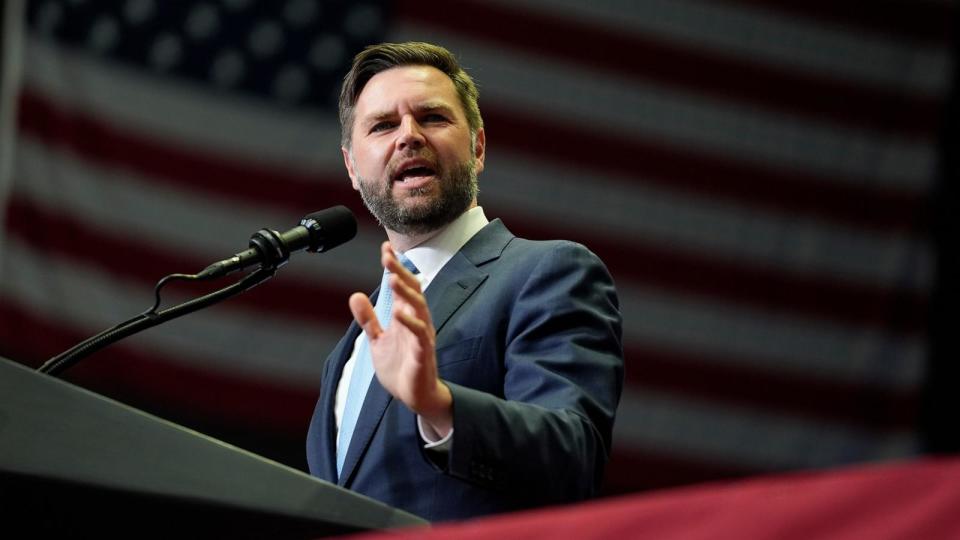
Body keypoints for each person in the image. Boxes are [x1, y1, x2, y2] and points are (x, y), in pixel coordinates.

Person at [306, 41, 624, 522]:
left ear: (477, 147)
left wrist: (438, 404)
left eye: (432, 118)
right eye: (383, 125)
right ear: (353, 167)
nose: (408, 136)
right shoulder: (345, 357)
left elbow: (572, 455)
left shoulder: (547, 272)